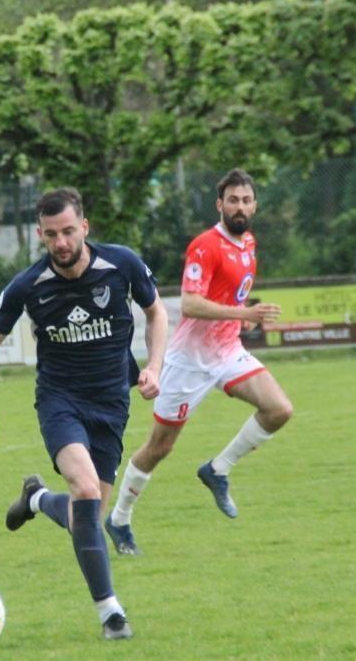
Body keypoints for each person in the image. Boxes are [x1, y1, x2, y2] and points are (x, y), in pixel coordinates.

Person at [0, 187, 168, 641]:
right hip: (60, 400)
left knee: (88, 516)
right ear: (40, 234)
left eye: (68, 231)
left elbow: (156, 314)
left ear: (85, 227)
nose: (61, 242)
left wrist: (154, 366)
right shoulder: (28, 285)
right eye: (51, 234)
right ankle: (110, 613)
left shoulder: (122, 264)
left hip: (112, 402)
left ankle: (36, 499)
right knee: (82, 487)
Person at [106, 169, 294, 555]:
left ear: (254, 205)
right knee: (159, 448)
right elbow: (189, 303)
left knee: (278, 409)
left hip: (227, 353)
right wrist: (245, 315)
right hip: (189, 361)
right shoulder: (205, 246)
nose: (239, 207)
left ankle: (217, 469)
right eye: (233, 200)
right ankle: (119, 519)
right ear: (219, 204)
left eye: (246, 200)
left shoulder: (249, 242)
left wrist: (239, 321)